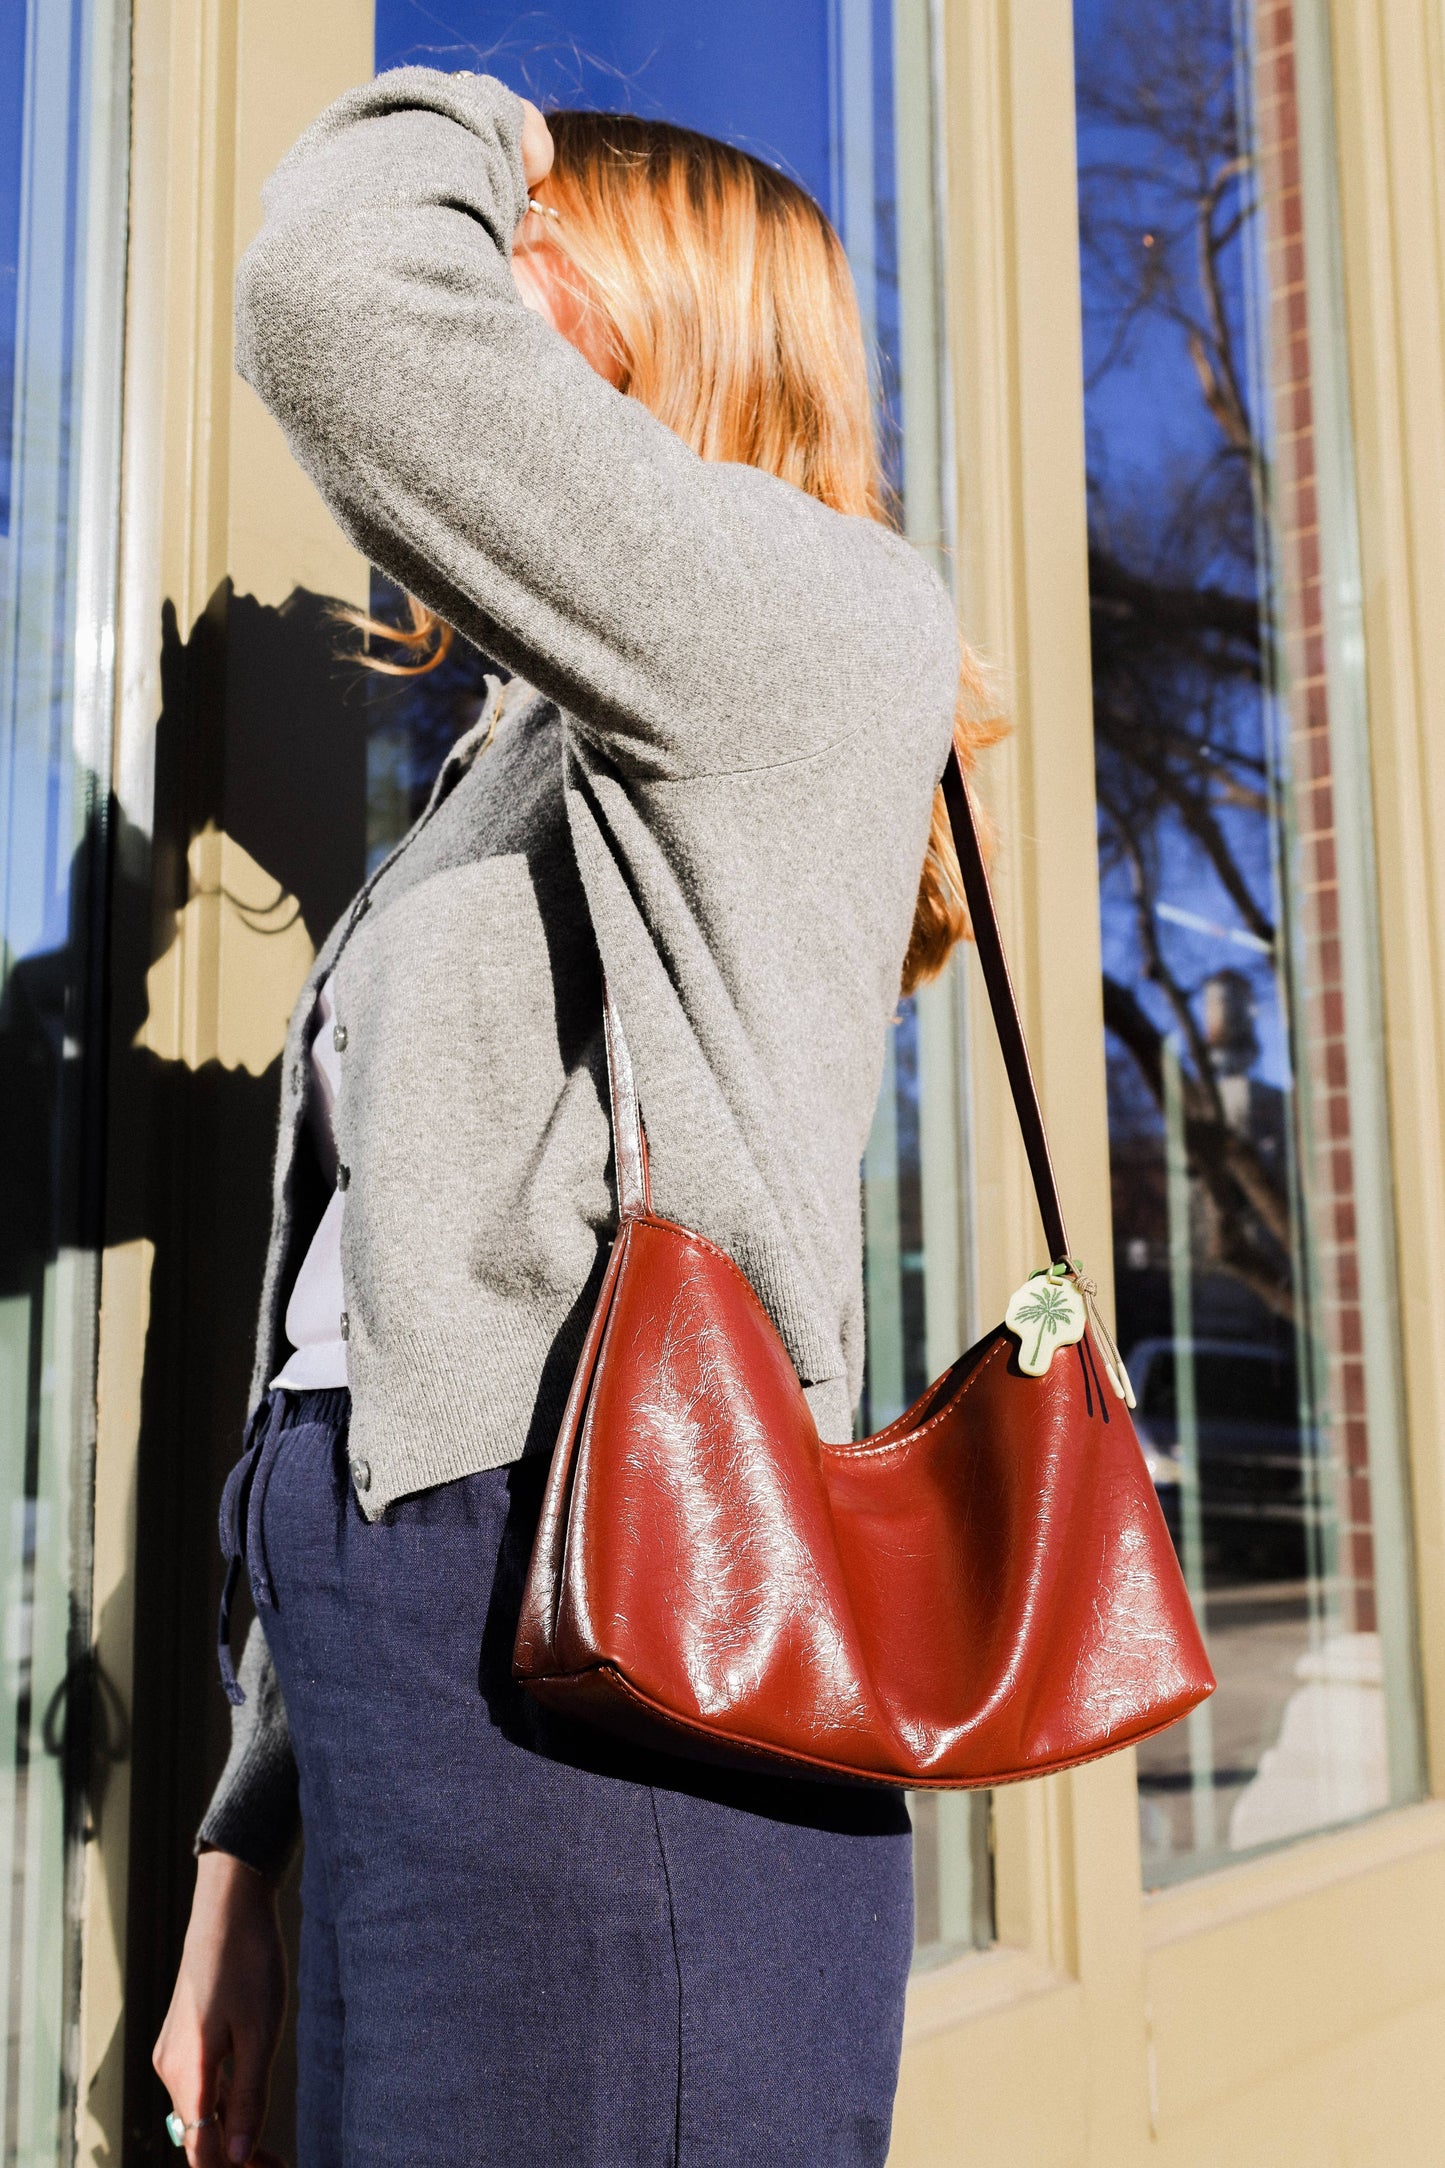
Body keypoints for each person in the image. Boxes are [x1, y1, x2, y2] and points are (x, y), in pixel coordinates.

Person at [153, 67, 992, 2168]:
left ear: (679, 322)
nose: (483, 289)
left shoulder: (809, 615)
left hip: (609, 1703)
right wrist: (257, 1839)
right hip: (418, 1690)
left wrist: (475, 114)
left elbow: (335, 296)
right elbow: (389, 1324)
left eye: (529, 253)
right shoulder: (528, 762)